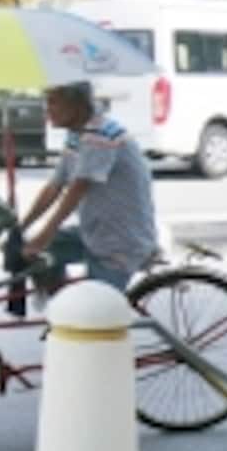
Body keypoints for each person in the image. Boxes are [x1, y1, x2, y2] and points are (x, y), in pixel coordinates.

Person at [20, 81, 157, 293]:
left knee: (95, 317)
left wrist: (45, 234)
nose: (48, 110)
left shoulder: (100, 135)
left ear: (76, 105)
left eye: (54, 102)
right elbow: (54, 186)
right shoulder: (77, 134)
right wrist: (22, 227)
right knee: (45, 250)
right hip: (93, 231)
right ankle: (58, 301)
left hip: (118, 241)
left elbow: (77, 190)